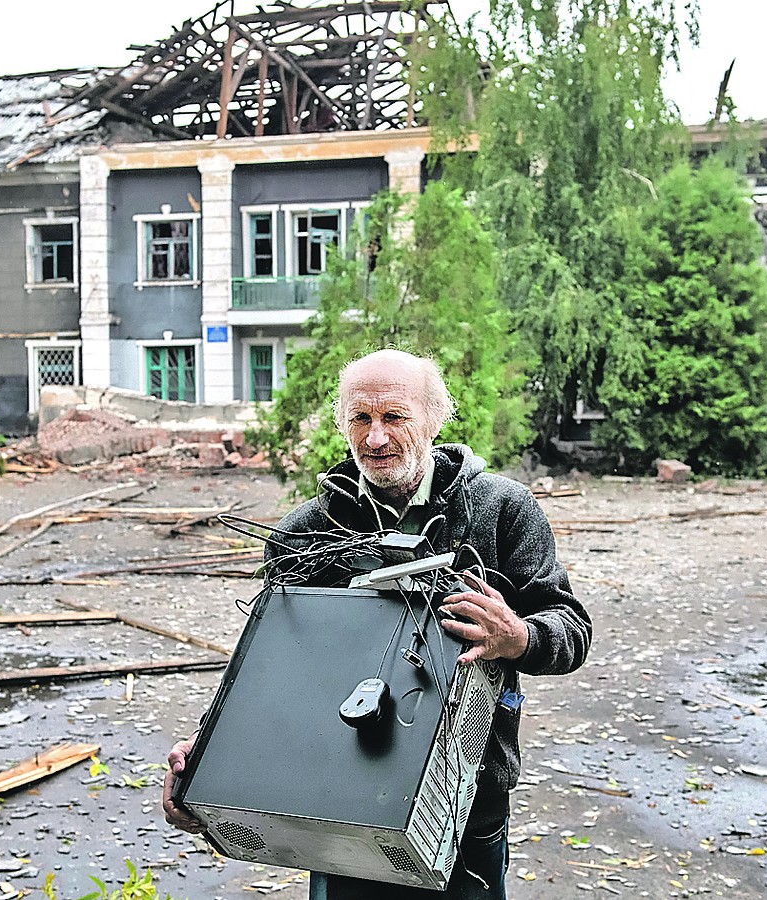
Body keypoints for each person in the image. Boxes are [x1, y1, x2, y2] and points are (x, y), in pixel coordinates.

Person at [162, 349, 592, 900]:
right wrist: (203, 751)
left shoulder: (501, 509)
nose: (375, 439)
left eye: (394, 417)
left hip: (469, 788)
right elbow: (265, 664)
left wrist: (518, 637)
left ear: (435, 418)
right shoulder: (307, 530)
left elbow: (572, 628)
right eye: (360, 419)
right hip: (337, 786)